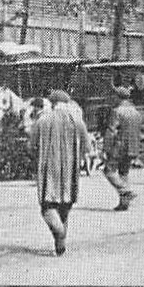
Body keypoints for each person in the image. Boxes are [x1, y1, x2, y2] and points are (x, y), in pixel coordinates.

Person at [27, 89, 94, 256]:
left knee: (48, 206)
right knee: (65, 207)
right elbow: (88, 147)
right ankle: (60, 243)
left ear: (52, 103)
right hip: (70, 170)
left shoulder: (42, 119)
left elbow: (31, 146)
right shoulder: (76, 120)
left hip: (48, 168)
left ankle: (59, 233)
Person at [102, 86, 144, 211]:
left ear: (118, 97)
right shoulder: (135, 111)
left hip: (119, 146)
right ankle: (124, 203)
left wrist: (106, 148)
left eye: (113, 96)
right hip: (133, 146)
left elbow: (111, 131)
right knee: (124, 173)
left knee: (109, 171)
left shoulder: (117, 111)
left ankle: (126, 191)